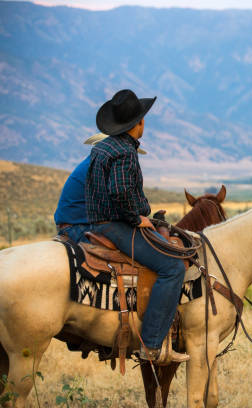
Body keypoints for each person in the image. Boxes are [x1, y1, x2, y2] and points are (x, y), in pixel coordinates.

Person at [85, 89, 189, 363]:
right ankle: (152, 343)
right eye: (143, 120)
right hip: (116, 225)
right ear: (138, 124)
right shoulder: (125, 152)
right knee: (173, 266)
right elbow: (119, 191)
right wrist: (136, 217)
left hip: (97, 222)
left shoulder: (103, 146)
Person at [54, 134, 146, 243]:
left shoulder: (92, 164)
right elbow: (120, 200)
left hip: (72, 224)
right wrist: (138, 218)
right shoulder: (104, 168)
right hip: (80, 227)